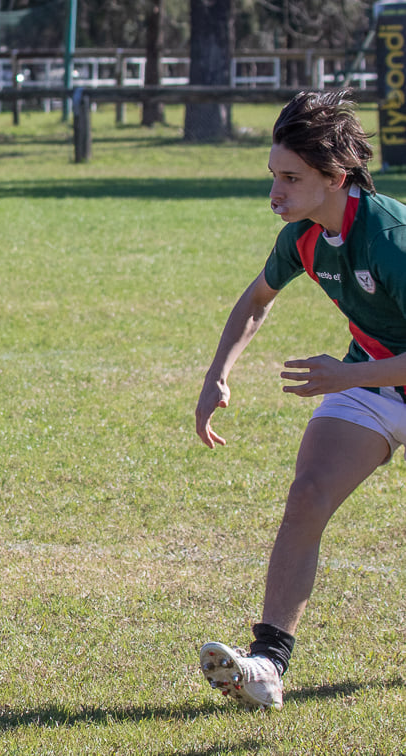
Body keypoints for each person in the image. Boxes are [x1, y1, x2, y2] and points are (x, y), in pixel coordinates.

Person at [195, 90, 406, 710]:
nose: (275, 194)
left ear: (335, 178)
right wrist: (217, 376)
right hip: (374, 381)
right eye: (273, 176)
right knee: (307, 497)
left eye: (291, 178)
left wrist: (345, 378)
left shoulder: (390, 238)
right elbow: (256, 300)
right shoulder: (305, 236)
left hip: (366, 378)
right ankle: (266, 665)